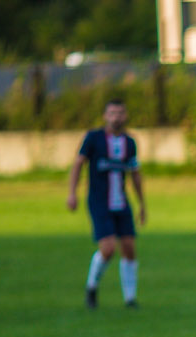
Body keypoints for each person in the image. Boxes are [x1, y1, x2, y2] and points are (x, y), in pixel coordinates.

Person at [67, 98, 146, 309]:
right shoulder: (93, 138)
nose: (116, 117)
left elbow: (135, 173)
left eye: (120, 113)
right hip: (99, 202)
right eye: (112, 113)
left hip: (121, 202)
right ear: (105, 116)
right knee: (109, 248)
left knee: (129, 247)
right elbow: (78, 164)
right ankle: (91, 287)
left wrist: (142, 204)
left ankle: (130, 298)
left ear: (125, 116)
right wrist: (72, 193)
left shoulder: (129, 142)